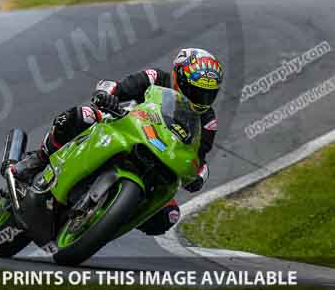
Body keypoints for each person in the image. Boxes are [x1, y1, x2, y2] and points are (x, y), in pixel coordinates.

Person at [14, 48, 223, 237]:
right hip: (121, 126)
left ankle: (111, 218)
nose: (201, 99)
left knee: (169, 215)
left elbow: (199, 156)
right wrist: (106, 95)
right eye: (196, 91)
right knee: (81, 115)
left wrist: (199, 175)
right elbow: (117, 87)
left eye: (208, 94)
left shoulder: (207, 121)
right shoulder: (156, 78)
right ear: (178, 77)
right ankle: (38, 160)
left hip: (161, 157)